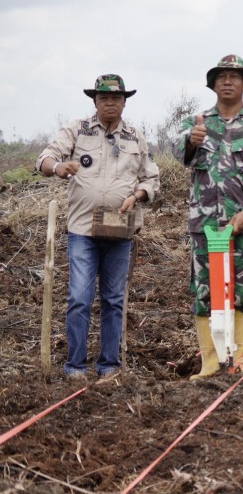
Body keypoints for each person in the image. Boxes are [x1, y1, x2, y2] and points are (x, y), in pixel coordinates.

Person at [37, 74, 160, 378]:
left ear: (123, 102)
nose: (110, 103)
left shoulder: (134, 136)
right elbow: (45, 158)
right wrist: (57, 167)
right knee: (79, 297)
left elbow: (151, 177)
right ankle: (75, 366)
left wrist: (138, 195)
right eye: (104, 98)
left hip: (120, 229)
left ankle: (108, 365)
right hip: (83, 231)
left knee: (113, 299)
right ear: (94, 101)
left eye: (116, 98)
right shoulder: (77, 130)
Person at [175, 55, 243, 379]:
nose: (228, 81)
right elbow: (180, 155)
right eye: (222, 76)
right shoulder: (198, 121)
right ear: (213, 83)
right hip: (204, 226)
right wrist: (191, 142)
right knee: (203, 290)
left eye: (235, 76)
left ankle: (239, 358)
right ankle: (210, 362)